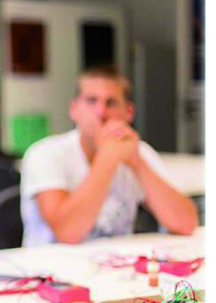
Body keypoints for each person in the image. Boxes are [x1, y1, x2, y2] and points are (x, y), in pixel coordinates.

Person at [20, 65, 198, 247]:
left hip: (114, 263)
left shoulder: (136, 150)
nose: (101, 113)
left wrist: (137, 162)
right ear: (74, 109)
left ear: (128, 112)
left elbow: (186, 224)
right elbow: (67, 233)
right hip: (51, 264)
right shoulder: (45, 153)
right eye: (91, 101)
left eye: (111, 103)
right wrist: (108, 158)